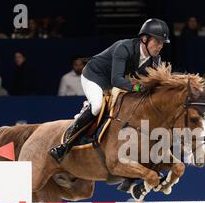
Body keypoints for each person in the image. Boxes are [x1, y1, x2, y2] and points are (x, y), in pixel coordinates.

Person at [49, 18, 170, 163]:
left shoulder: (155, 60)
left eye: (162, 43)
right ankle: (65, 145)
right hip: (94, 76)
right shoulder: (124, 48)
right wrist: (138, 88)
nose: (160, 46)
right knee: (97, 106)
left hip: (115, 84)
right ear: (144, 39)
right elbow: (117, 80)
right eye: (157, 42)